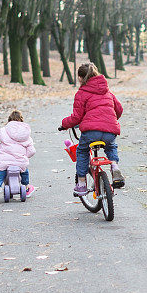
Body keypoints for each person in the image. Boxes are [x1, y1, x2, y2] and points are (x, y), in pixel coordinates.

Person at [60, 62, 125, 194]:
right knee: (111, 146)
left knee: (82, 150)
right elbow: (119, 109)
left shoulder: (81, 93)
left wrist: (64, 124)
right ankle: (114, 165)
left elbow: (77, 117)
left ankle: (82, 183)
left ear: (80, 78)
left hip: (91, 133)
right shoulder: (107, 91)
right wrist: (110, 121)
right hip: (109, 132)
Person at [0, 110, 36, 204]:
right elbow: (32, 151)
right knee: (24, 172)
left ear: (9, 120)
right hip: (20, 163)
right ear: (21, 120)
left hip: (4, 162)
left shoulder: (3, 131)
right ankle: (26, 187)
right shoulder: (26, 134)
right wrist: (25, 156)